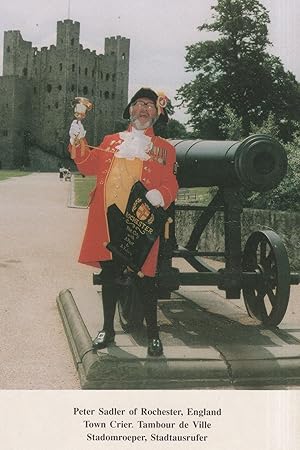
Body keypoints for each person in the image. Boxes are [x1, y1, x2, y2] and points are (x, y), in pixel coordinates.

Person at [68, 87, 178, 357]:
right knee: (110, 276)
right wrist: (78, 140)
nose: (143, 109)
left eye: (149, 105)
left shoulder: (164, 149)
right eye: (138, 104)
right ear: (130, 110)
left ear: (157, 113)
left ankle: (153, 334)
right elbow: (86, 165)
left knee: (145, 279)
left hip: (140, 221)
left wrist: (161, 195)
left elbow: (171, 182)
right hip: (109, 219)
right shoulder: (110, 141)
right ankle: (107, 329)